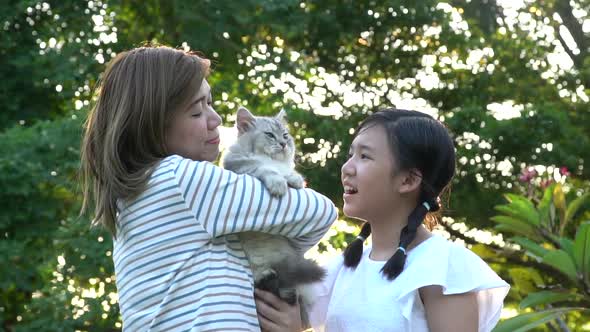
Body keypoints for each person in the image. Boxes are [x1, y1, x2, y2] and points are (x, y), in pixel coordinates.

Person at [80, 45, 337, 331]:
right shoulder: (182, 180)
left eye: (211, 103)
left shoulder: (136, 194)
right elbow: (319, 212)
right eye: (196, 112)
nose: (216, 120)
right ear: (152, 123)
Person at [255, 109, 509, 332]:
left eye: (365, 156)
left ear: (408, 180)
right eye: (350, 154)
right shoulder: (342, 269)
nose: (347, 168)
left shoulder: (444, 268)